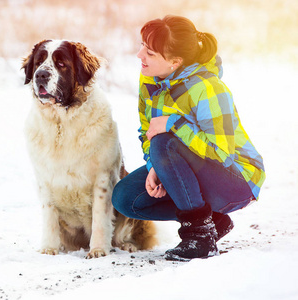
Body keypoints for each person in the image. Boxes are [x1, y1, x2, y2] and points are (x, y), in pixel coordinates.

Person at [112, 15, 265, 261]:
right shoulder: (149, 79)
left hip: (237, 180)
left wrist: (173, 124)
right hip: (189, 167)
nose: (140, 55)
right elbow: (147, 131)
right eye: (142, 45)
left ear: (175, 61)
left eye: (150, 53)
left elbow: (221, 154)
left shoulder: (208, 88)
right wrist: (156, 166)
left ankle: (200, 236)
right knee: (126, 199)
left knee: (166, 140)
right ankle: (214, 221)